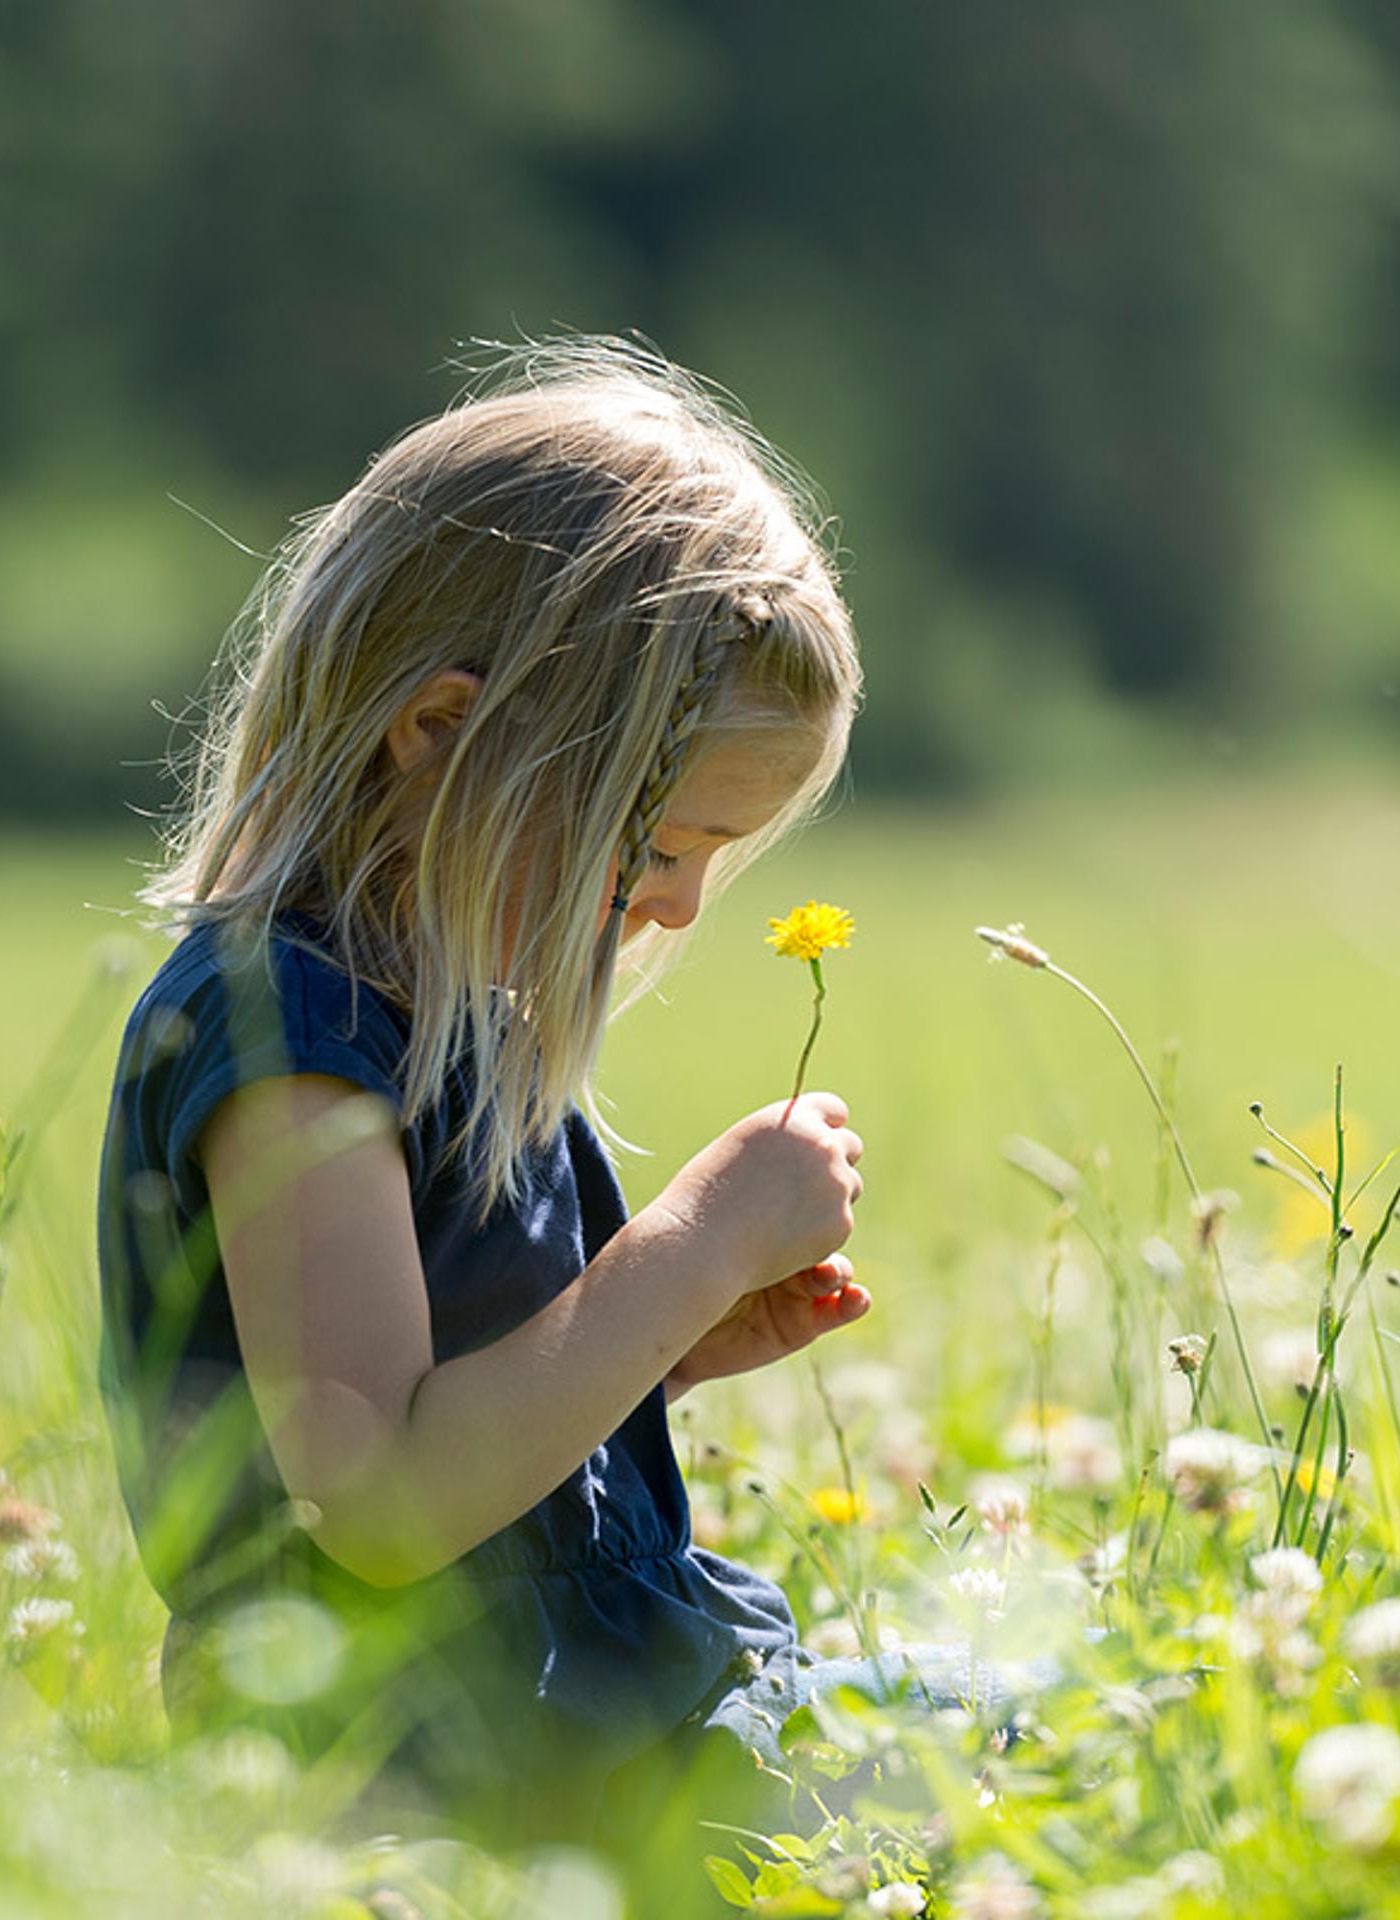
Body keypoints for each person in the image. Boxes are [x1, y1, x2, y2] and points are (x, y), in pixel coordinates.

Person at [94, 340, 1032, 1902]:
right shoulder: (292, 1045)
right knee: (1043, 1743)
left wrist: (665, 1345)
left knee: (1054, 1713)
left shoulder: (425, 1013)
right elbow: (381, 1497)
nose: (674, 900)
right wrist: (692, 1239)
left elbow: (454, 1381)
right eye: (655, 842)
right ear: (444, 733)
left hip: (574, 1710)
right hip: (437, 1765)